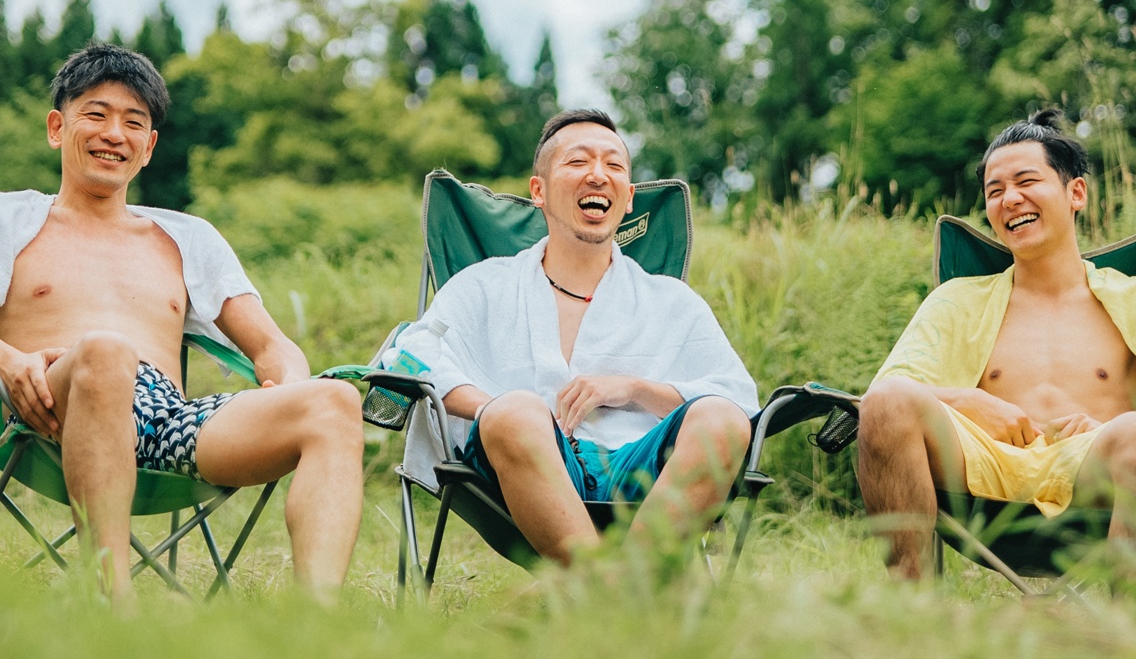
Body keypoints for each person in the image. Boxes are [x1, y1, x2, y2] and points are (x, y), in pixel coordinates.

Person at [0, 44, 363, 602]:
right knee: (105, 351)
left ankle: (314, 620)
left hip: (170, 419)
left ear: (148, 147)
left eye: (133, 123)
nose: (113, 134)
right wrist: (9, 359)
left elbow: (271, 344)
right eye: (95, 115)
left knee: (334, 402)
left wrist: (289, 386)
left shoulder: (186, 237)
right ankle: (110, 604)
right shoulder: (12, 217)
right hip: (48, 409)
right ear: (57, 127)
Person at [394, 108, 758, 567]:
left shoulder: (672, 302)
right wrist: (493, 408)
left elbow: (739, 400)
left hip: (638, 467)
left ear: (628, 199)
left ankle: (593, 592)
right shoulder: (483, 285)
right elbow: (407, 355)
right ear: (539, 191)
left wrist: (635, 388)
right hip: (522, 464)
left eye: (613, 165)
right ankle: (619, 595)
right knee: (517, 408)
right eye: (578, 162)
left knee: (722, 420)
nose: (598, 176)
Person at [858, 108, 1136, 579]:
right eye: (994, 191)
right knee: (887, 402)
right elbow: (881, 395)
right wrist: (971, 401)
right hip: (983, 473)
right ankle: (908, 615)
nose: (1010, 199)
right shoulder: (959, 300)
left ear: (1076, 192)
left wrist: (1113, 426)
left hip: (1096, 469)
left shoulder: (1130, 298)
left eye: (1027, 181)